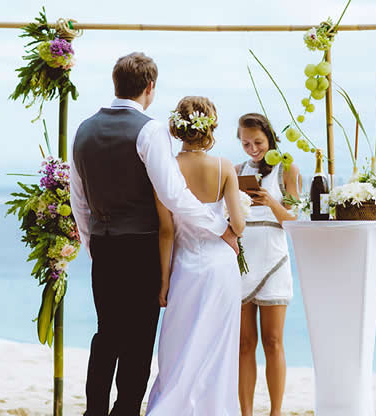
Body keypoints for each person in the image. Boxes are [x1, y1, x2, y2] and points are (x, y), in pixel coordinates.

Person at [70, 53, 239, 416]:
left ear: (115, 84)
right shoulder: (150, 130)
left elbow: (78, 197)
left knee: (106, 334)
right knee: (138, 338)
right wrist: (218, 226)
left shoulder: (83, 129)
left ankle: (94, 411)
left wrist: (92, 244)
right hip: (142, 245)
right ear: (149, 87)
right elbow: (173, 194)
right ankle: (126, 410)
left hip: (104, 244)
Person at [145, 96, 244, 415]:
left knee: (180, 344)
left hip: (185, 268)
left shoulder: (167, 169)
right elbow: (238, 226)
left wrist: (163, 280)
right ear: (210, 126)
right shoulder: (225, 166)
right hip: (220, 268)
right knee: (217, 345)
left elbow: (166, 230)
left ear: (178, 128)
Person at [234, 113, 300, 416]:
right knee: (245, 344)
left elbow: (293, 220)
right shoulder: (236, 171)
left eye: (258, 142)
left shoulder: (287, 169)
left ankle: (275, 412)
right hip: (244, 260)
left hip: (274, 258)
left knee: (273, 341)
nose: (252, 148)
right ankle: (246, 412)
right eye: (246, 143)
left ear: (270, 138)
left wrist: (270, 202)